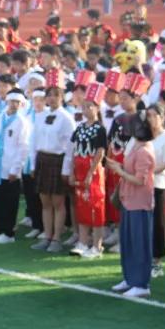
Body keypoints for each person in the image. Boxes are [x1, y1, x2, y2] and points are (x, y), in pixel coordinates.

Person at [107, 117, 156, 298]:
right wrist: (119, 167)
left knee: (139, 243)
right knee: (128, 242)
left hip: (139, 202)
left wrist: (120, 171)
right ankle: (130, 278)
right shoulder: (135, 146)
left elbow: (140, 179)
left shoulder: (144, 151)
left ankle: (141, 283)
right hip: (128, 200)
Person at [0, 88, 32, 244]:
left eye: (17, 102)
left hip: (10, 166)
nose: (14, 105)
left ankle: (8, 232)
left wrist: (16, 169)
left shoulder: (22, 122)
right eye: (11, 101)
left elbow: (23, 148)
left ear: (21, 104)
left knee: (9, 200)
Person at [30, 85, 75, 254]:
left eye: (56, 95)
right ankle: (47, 236)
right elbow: (34, 141)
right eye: (49, 95)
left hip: (58, 160)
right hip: (43, 159)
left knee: (58, 202)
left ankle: (56, 238)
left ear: (62, 98)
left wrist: (66, 169)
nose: (52, 99)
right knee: (45, 202)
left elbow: (70, 147)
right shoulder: (41, 116)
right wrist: (33, 164)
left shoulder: (66, 118)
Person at [70, 93, 108, 258]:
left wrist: (91, 173)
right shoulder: (79, 127)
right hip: (79, 168)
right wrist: (71, 171)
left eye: (89, 106)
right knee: (81, 205)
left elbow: (100, 152)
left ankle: (97, 245)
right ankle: (83, 241)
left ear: (97, 108)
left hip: (93, 169)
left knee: (96, 206)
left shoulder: (100, 128)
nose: (86, 109)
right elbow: (74, 150)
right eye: (83, 106)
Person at [145, 104, 165, 278]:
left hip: (158, 184)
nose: (150, 119)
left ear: (162, 117)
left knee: (157, 223)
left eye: (153, 115)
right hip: (141, 185)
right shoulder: (144, 136)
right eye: (148, 116)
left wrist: (148, 171)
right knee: (143, 222)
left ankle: (157, 262)